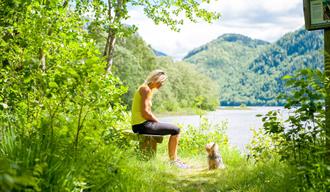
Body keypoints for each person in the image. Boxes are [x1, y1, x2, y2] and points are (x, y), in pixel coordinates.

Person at [131, 69, 189, 168]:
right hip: (142, 125)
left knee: (174, 129)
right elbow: (145, 113)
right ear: (154, 80)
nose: (162, 85)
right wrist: (157, 122)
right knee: (176, 130)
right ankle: (173, 161)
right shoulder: (146, 90)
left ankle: (174, 160)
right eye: (161, 82)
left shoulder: (144, 89)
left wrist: (156, 123)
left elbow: (146, 113)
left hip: (139, 125)